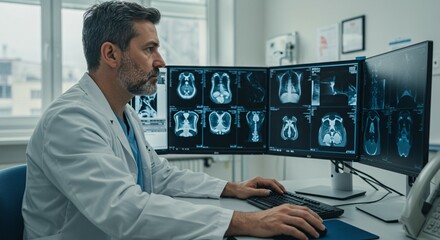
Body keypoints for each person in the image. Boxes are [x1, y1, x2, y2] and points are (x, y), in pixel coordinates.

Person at [22, 1, 325, 239]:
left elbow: (161, 175)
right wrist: (247, 221)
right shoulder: (70, 120)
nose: (161, 61)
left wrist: (230, 187)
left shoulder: (124, 112)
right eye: (149, 49)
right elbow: (123, 210)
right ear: (111, 54)